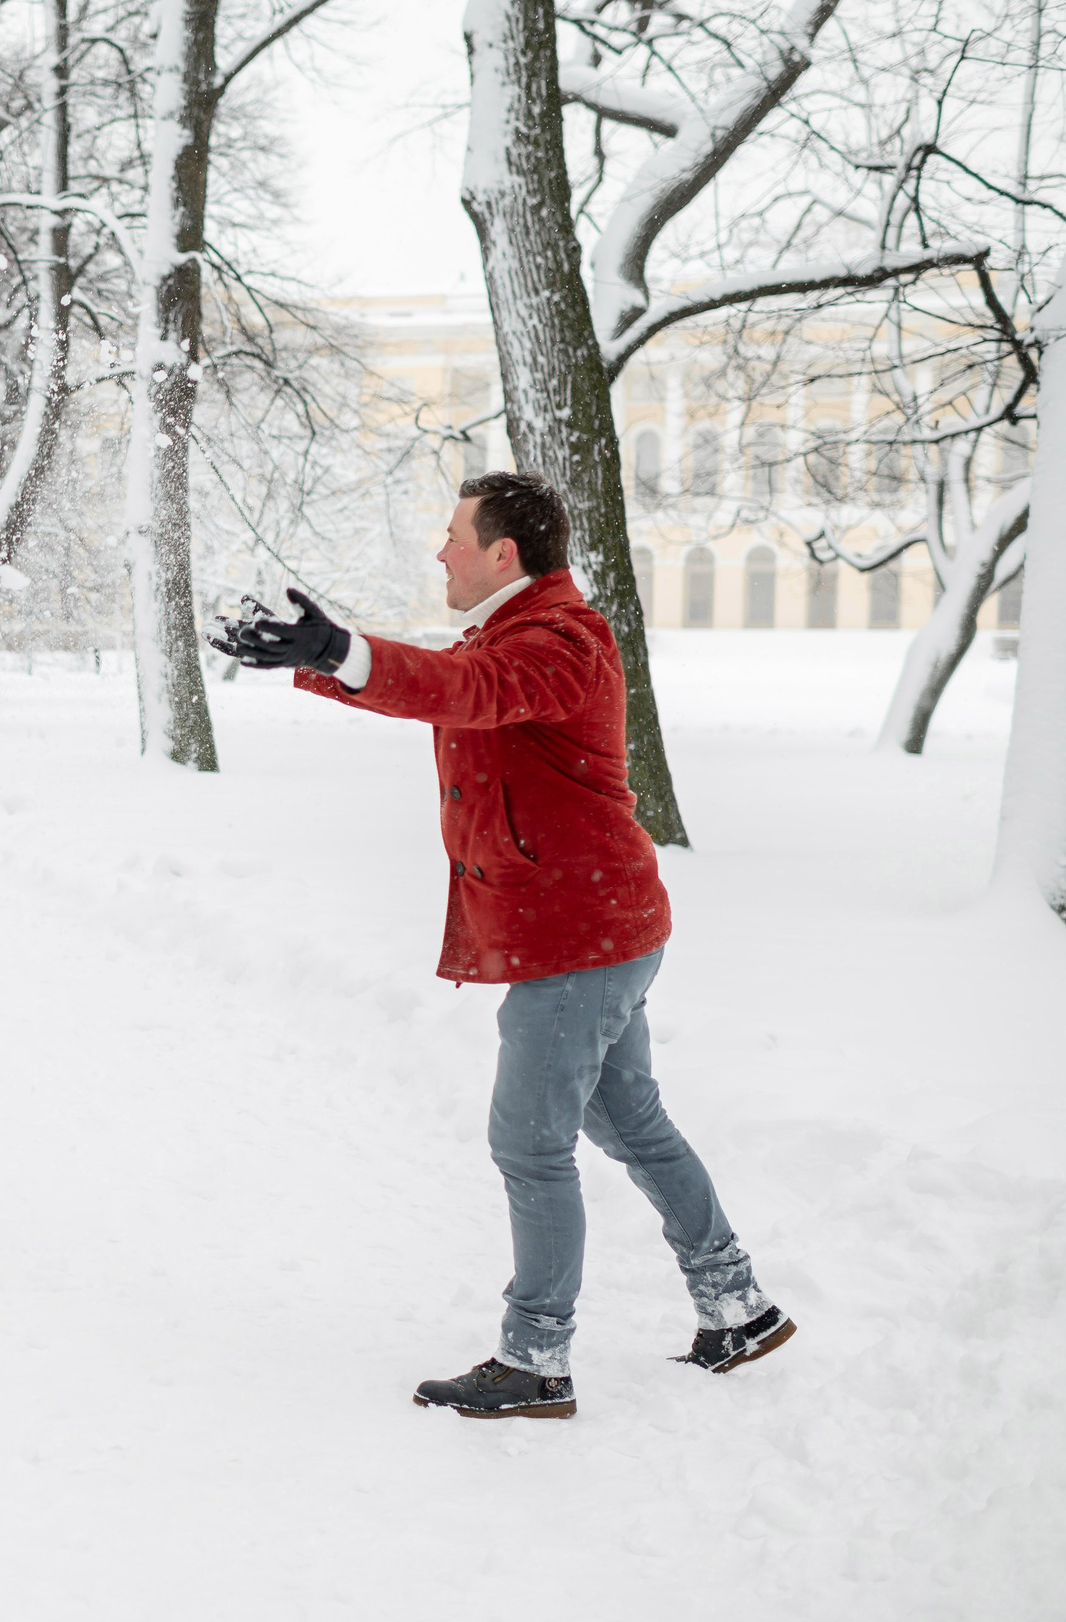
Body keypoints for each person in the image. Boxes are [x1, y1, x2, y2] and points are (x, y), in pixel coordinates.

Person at [209, 471, 792, 1420]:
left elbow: (466, 691)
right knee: (630, 1122)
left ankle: (535, 1358)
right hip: (599, 925)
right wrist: (315, 662)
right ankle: (737, 1305)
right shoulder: (512, 630)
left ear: (503, 551)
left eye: (454, 535)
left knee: (529, 1143)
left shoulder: (562, 639)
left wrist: (343, 649)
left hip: (579, 940)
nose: (440, 551)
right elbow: (446, 689)